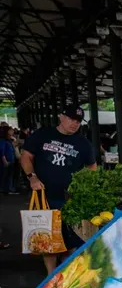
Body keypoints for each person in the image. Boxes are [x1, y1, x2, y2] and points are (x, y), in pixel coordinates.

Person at [20, 105, 97, 271]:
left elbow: (92, 167)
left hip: (70, 200)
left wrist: (84, 187)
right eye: (71, 119)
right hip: (44, 197)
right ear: (61, 117)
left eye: (78, 121)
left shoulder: (83, 143)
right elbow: (26, 156)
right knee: (48, 240)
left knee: (71, 241)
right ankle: (50, 276)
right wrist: (32, 177)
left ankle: (63, 277)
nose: (74, 124)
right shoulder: (42, 135)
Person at [0, 127, 15, 196]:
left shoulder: (9, 140)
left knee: (9, 175)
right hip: (6, 161)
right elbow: (2, 151)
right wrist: (4, 161)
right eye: (10, 130)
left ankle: (8, 188)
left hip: (11, 160)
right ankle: (4, 189)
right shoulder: (3, 140)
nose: (12, 131)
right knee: (5, 175)